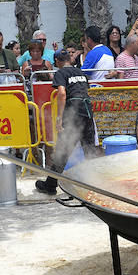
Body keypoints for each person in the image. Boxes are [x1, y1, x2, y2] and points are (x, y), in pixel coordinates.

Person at [34, 50, 98, 195]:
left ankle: (50, 185)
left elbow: (62, 94)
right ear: (70, 59)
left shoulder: (61, 73)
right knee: (90, 150)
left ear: (57, 61)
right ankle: (97, 184)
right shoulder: (80, 72)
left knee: (62, 152)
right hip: (87, 112)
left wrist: (59, 118)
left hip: (74, 114)